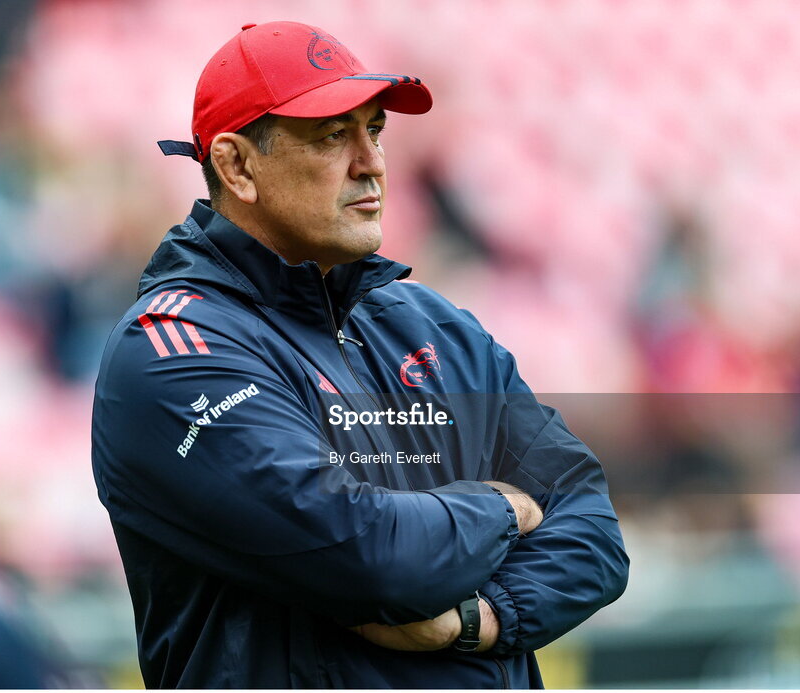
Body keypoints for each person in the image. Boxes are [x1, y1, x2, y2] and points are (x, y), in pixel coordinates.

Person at [91, 20, 628, 688]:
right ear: (235, 165)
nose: (371, 161)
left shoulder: (431, 323)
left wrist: (479, 616)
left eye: (373, 129)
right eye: (330, 134)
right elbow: (371, 553)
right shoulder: (173, 350)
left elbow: (594, 532)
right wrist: (506, 506)